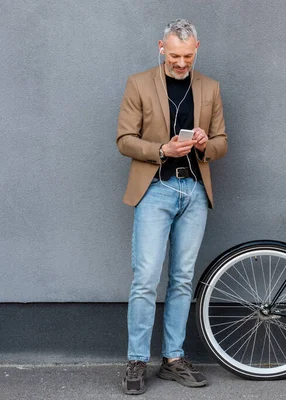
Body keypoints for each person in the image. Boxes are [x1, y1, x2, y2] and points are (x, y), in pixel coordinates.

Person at [116, 19, 227, 395]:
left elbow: (222, 144)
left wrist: (203, 142)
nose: (181, 63)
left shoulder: (210, 87)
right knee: (146, 278)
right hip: (155, 189)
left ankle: (173, 359)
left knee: (182, 278)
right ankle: (136, 360)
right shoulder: (139, 83)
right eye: (175, 55)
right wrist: (161, 149)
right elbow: (124, 139)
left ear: (198, 48)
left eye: (188, 56)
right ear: (161, 48)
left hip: (194, 191)